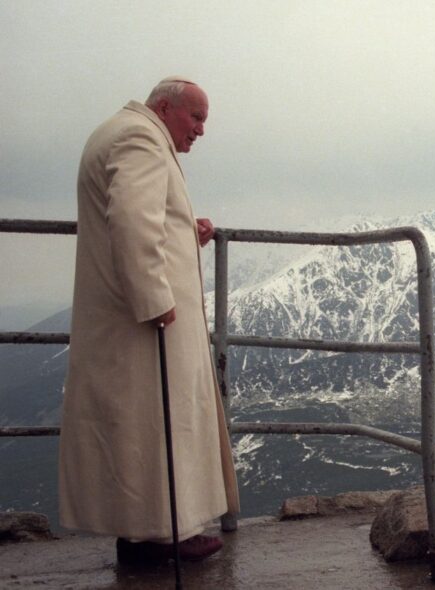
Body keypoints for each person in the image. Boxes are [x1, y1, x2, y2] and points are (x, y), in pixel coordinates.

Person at [58, 77, 240, 564]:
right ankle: (163, 538)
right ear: (165, 107)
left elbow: (143, 212)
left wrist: (186, 229)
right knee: (161, 423)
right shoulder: (141, 138)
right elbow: (133, 223)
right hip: (145, 321)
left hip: (122, 319)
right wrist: (155, 301)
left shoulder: (120, 131)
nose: (201, 130)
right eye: (196, 117)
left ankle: (145, 535)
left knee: (140, 428)